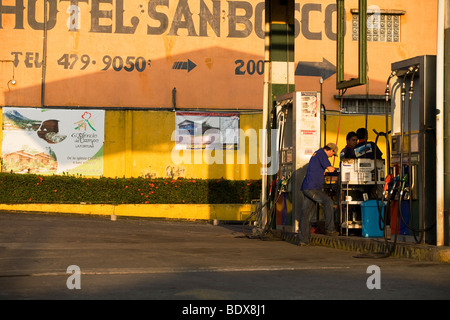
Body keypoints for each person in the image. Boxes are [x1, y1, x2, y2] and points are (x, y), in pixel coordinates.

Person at [299, 143, 339, 246]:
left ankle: (304, 240)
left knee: (306, 215)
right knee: (328, 202)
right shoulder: (322, 154)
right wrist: (336, 169)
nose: (331, 156)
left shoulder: (317, 154)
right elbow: (330, 169)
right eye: (333, 154)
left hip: (307, 187)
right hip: (312, 188)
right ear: (330, 150)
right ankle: (330, 229)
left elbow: (318, 169)